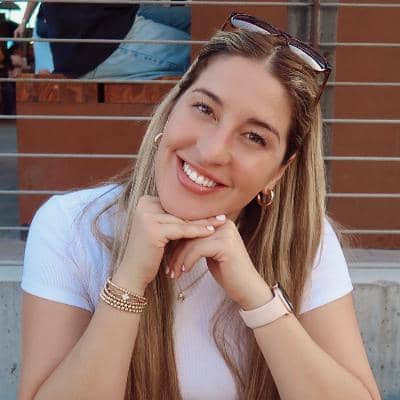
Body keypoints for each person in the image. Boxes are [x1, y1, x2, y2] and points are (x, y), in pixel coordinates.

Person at [18, 12, 381, 400]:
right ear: (172, 107)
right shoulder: (70, 226)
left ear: (279, 171)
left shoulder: (308, 240)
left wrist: (258, 299)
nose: (211, 151)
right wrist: (128, 282)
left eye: (254, 137)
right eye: (205, 109)